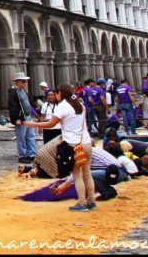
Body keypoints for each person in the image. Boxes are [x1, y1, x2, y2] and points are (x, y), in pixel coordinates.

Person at [25, 84, 95, 212]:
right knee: (87, 174)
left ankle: (82, 202)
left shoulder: (62, 106)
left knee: (77, 175)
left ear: (60, 94)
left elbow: (51, 124)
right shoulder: (79, 105)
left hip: (74, 145)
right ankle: (91, 200)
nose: (55, 96)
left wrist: (33, 124)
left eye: (56, 94)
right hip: (86, 142)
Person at [8, 72, 36, 163]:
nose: (25, 83)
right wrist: (17, 118)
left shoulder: (23, 91)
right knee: (21, 137)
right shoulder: (13, 92)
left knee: (30, 135)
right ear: (18, 82)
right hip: (21, 117)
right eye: (23, 81)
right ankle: (22, 155)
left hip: (28, 116)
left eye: (25, 81)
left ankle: (31, 154)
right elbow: (12, 106)